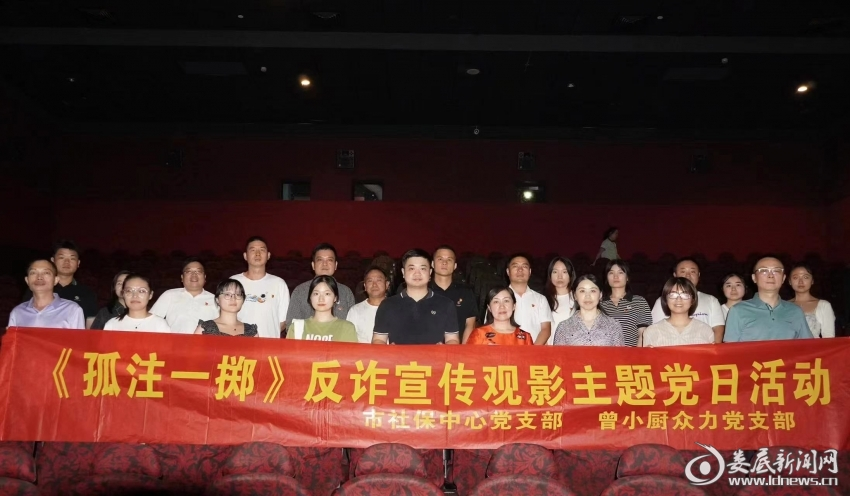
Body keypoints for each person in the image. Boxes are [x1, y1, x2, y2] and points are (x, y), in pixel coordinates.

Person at [372, 249, 459, 345]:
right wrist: (388, 350)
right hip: (399, 355)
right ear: (403, 272)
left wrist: (444, 349)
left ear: (430, 272)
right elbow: (378, 340)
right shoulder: (387, 305)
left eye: (423, 268)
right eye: (411, 268)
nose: (417, 273)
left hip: (434, 355)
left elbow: (453, 339)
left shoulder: (446, 304)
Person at [724, 256, 811, 342]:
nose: (770, 275)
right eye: (764, 271)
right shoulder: (738, 311)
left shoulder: (795, 311)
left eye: (776, 271)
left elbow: (809, 345)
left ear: (783, 278)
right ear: (754, 278)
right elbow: (729, 348)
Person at [22, 240, 98, 328]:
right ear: (52, 261)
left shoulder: (87, 293)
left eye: (72, 258)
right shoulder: (38, 289)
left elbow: (91, 327)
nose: (67, 262)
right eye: (62, 258)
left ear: (78, 263)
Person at [650, 258, 725, 343]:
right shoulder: (663, 300)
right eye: (683, 271)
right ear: (675, 274)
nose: (688, 275)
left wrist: (713, 349)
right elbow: (654, 330)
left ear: (698, 275)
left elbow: (718, 329)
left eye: (692, 271)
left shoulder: (711, 300)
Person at [231, 236, 290, 339]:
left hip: (269, 345)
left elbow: (283, 321)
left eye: (262, 250)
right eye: (253, 250)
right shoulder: (233, 282)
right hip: (239, 343)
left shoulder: (279, 284)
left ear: (268, 255)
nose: (257, 254)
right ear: (245, 256)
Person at [286, 243, 356, 324]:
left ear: (336, 265)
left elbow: (352, 325)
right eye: (320, 260)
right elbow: (291, 324)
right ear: (313, 265)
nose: (325, 264)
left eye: (329, 260)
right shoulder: (300, 291)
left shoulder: (346, 292)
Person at [8, 259, 84, 329]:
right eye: (33, 273)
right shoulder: (17, 312)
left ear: (56, 280)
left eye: (46, 273)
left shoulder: (72, 310)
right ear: (27, 280)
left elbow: (79, 339)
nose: (39, 277)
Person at [151, 258, 219, 334]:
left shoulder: (215, 299)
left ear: (205, 277)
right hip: (174, 340)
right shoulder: (169, 295)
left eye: (198, 271)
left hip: (205, 341)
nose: (194, 275)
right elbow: (152, 320)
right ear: (182, 278)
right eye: (189, 271)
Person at [553, 275, 624, 346]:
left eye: (593, 291)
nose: (587, 296)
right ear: (575, 296)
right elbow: (558, 353)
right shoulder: (564, 327)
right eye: (582, 291)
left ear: (600, 295)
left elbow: (620, 353)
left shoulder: (613, 325)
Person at [642, 278, 715, 347]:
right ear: (666, 300)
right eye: (673, 295)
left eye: (685, 295)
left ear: (692, 300)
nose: (678, 299)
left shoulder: (705, 330)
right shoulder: (652, 331)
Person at [286, 276, 357, 342]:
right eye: (316, 294)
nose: (321, 299)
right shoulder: (296, 327)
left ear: (335, 298)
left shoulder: (347, 328)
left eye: (327, 294)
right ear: (310, 297)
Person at [430, 245, 478, 343]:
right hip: (427, 349)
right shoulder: (423, 291)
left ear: (455, 266)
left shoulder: (465, 292)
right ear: (432, 264)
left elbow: (470, 324)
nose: (444, 263)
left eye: (449, 260)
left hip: (457, 348)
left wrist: (463, 350)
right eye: (440, 259)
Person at [600, 259, 652, 347]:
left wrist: (637, 354)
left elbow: (643, 334)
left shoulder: (639, 301)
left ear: (627, 277)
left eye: (620, 272)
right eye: (611, 273)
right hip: (606, 353)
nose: (615, 276)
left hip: (632, 353)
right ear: (607, 278)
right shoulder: (600, 304)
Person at [504, 254, 552, 345]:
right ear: (508, 271)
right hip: (507, 350)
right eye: (515, 266)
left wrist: (533, 351)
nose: (520, 269)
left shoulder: (540, 299)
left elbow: (546, 329)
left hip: (535, 350)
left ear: (530, 272)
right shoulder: (498, 298)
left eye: (524, 266)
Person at [104, 274, 170, 332]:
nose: (135, 296)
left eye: (141, 291)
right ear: (123, 294)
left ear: (150, 295)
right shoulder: (112, 325)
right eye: (129, 291)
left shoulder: (160, 325)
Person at [467, 287, 533, 345]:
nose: (502, 306)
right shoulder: (479, 334)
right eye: (496, 302)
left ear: (514, 306)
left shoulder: (526, 337)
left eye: (506, 301)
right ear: (489, 308)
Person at [788, 264, 835, 338]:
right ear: (790, 281)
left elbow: (829, 337)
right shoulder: (782, 306)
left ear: (812, 281)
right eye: (795, 277)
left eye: (805, 277)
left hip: (815, 345)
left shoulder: (824, 305)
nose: (800, 281)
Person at [346, 266, 391, 343]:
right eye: (370, 281)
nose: (374, 285)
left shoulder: (396, 308)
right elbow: (349, 340)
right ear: (365, 286)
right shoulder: (355, 310)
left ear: (387, 284)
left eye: (379, 280)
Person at [545, 256, 576, 345]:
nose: (559, 276)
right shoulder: (543, 300)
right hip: (550, 349)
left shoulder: (578, 298)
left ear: (571, 274)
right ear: (550, 275)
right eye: (555, 272)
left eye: (564, 272)